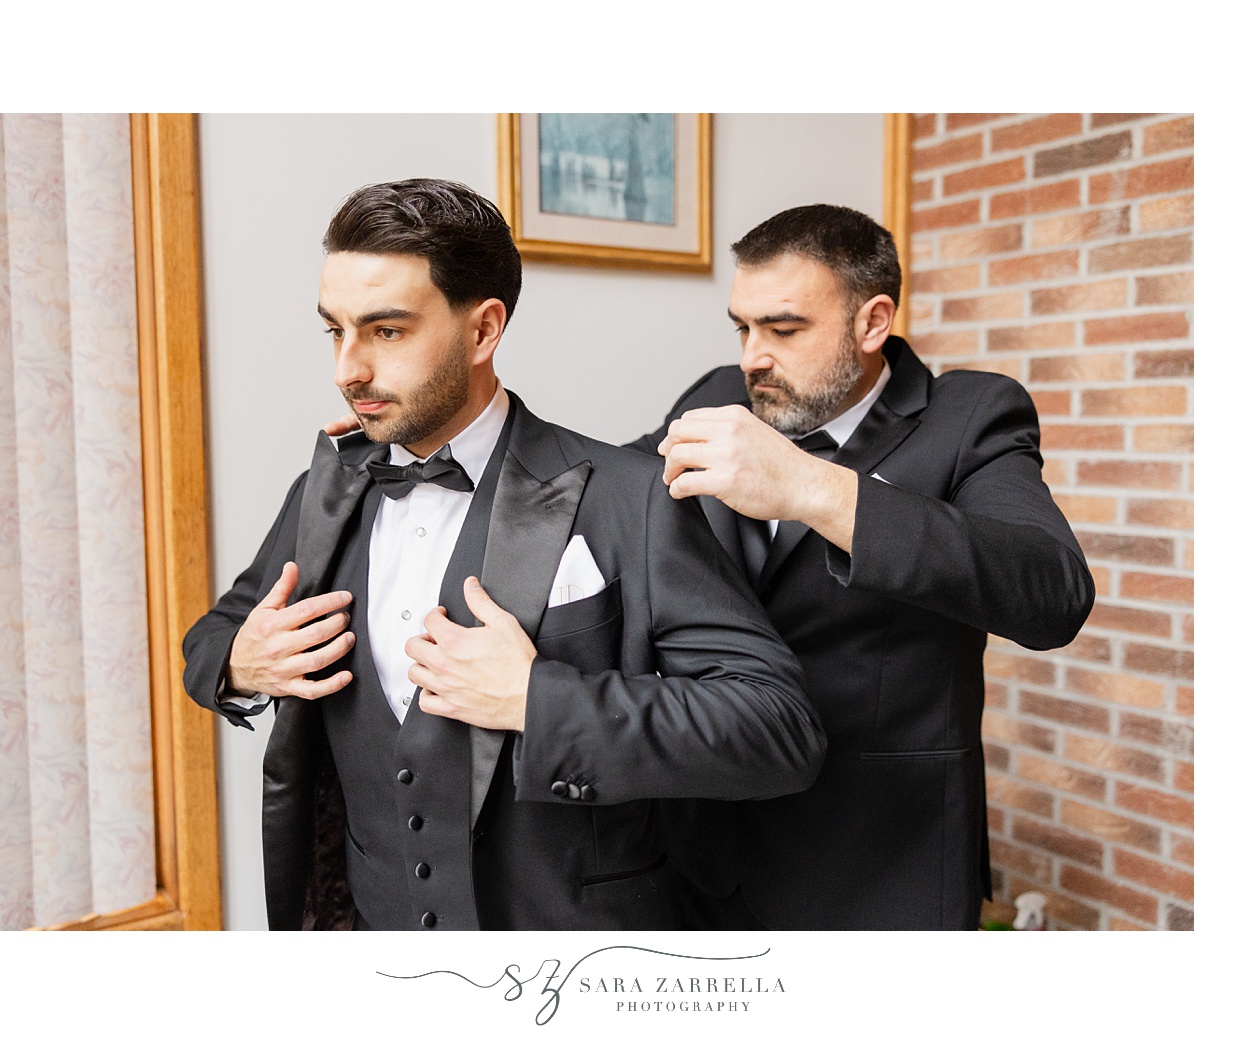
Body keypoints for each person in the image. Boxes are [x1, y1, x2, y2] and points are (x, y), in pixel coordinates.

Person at [181, 179, 825, 931]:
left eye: (385, 332)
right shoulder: (326, 487)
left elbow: (778, 730)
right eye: (335, 330)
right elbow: (214, 635)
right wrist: (239, 664)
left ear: (484, 330)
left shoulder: (632, 498)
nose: (346, 370)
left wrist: (536, 701)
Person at [631, 203, 1095, 930]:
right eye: (742, 327)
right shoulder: (720, 394)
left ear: (872, 321)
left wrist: (811, 490)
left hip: (878, 866)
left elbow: (1051, 593)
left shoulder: (970, 417)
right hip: (702, 854)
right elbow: (611, 492)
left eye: (783, 330)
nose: (752, 355)